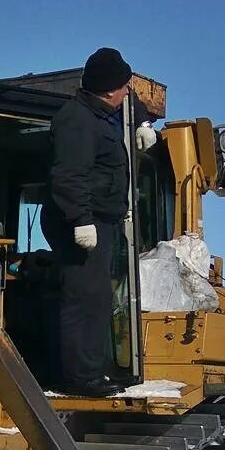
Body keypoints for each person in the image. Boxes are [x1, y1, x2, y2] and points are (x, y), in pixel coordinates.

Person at [40, 47, 149, 397]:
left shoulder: (102, 112)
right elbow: (69, 175)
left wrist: (144, 121)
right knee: (85, 297)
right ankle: (82, 377)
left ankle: (94, 370)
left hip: (103, 220)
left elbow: (131, 103)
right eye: (124, 86)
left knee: (100, 296)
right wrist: (80, 220)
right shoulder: (77, 120)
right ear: (109, 89)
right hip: (81, 223)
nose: (128, 91)